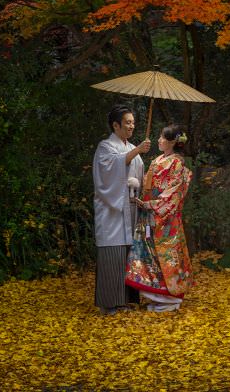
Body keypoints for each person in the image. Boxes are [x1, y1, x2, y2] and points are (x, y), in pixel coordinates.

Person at [126, 124, 193, 312]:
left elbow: (174, 192)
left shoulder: (177, 163)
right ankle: (159, 298)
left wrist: (153, 204)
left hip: (165, 217)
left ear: (171, 141)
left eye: (162, 137)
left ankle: (170, 298)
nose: (158, 140)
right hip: (150, 214)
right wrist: (138, 191)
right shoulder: (158, 160)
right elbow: (148, 183)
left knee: (166, 255)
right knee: (151, 255)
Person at [92, 105, 151, 315]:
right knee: (112, 254)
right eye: (127, 122)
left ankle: (125, 300)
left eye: (133, 122)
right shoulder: (106, 147)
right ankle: (109, 303)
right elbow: (110, 171)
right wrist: (137, 151)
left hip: (131, 208)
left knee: (127, 254)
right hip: (112, 210)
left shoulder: (132, 147)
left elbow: (140, 176)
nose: (131, 126)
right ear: (115, 125)